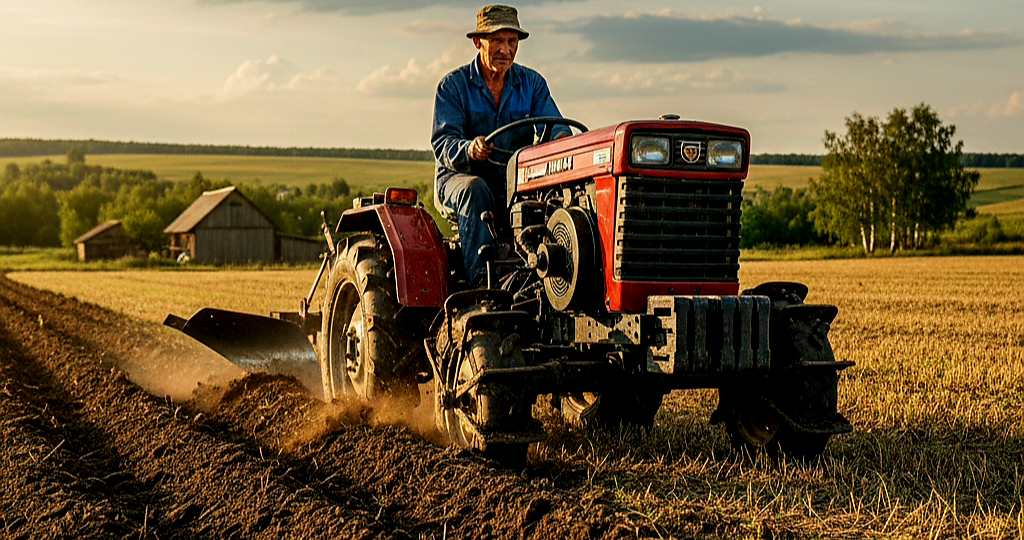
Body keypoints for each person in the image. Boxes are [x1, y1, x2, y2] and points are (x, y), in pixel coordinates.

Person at [431, 4, 569, 287]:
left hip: (512, 183)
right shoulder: (453, 87)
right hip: (459, 179)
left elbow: (556, 127)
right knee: (475, 189)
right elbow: (443, 143)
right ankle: (482, 284)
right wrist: (470, 149)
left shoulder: (532, 84)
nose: (505, 50)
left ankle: (549, 275)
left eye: (511, 42)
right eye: (497, 41)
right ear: (478, 41)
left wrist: (562, 141)